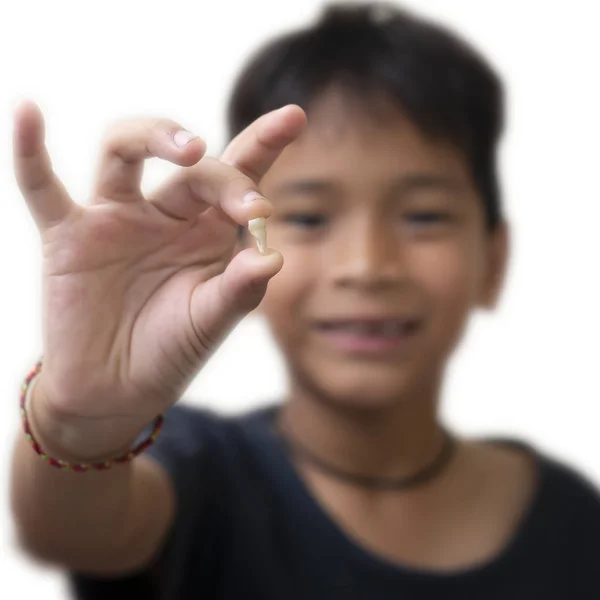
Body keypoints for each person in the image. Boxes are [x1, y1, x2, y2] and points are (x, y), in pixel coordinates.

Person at [10, 3, 600, 599]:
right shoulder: (197, 473)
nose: (367, 266)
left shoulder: (575, 519)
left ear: (493, 263)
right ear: (241, 249)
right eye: (312, 216)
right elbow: (71, 533)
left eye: (424, 216)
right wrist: (77, 425)